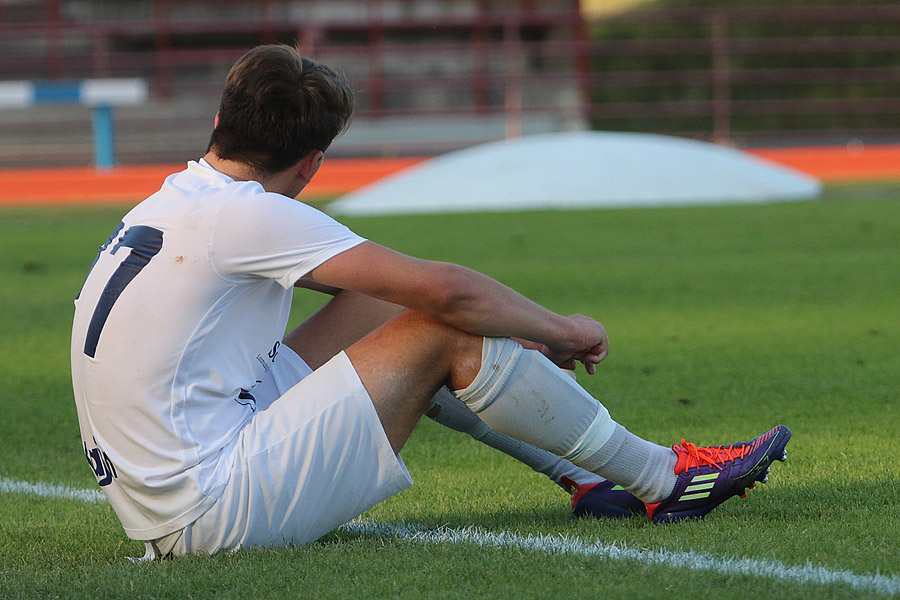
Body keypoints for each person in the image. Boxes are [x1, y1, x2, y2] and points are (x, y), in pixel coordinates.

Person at [71, 45, 791, 558]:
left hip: (169, 480)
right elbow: (448, 290)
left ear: (219, 126)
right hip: (209, 506)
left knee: (390, 307)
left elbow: (397, 294)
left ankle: (592, 479)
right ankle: (666, 479)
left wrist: (508, 332)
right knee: (446, 328)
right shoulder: (251, 215)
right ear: (313, 162)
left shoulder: (176, 198)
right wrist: (565, 330)